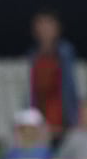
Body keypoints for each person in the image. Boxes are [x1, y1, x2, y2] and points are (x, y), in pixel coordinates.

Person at [27, 9, 79, 144]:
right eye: (40, 24)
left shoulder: (65, 53)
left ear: (57, 28)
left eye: (48, 24)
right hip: (39, 121)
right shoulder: (33, 55)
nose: (44, 29)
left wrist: (73, 120)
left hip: (62, 121)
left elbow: (71, 89)